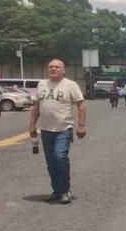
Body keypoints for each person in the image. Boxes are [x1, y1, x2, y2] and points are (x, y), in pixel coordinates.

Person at [29, 59, 86, 205]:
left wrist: (81, 125)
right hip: (46, 130)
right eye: (51, 67)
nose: (53, 69)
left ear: (63, 70)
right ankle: (57, 190)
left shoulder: (70, 85)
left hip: (64, 129)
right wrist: (32, 125)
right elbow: (37, 106)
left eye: (57, 67)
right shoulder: (42, 84)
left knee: (59, 157)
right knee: (51, 162)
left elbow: (81, 105)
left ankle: (66, 190)